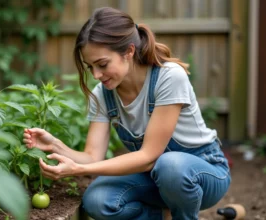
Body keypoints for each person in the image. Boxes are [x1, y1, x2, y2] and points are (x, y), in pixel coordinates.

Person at [23, 6, 231, 220]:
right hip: (155, 179)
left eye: (102, 64)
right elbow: (92, 157)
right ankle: (163, 215)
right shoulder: (103, 94)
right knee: (97, 200)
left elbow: (149, 156)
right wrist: (55, 145)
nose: (96, 75)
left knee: (170, 166)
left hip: (204, 173)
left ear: (129, 51)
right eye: (90, 67)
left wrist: (74, 170)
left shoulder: (169, 78)